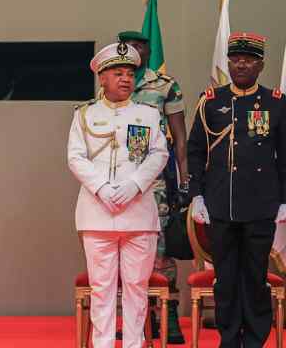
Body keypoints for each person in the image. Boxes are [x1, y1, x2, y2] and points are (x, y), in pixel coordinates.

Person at [187, 32, 286, 348]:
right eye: (235, 59)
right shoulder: (211, 101)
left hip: (260, 205)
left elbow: (284, 156)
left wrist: (284, 200)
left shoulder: (276, 103)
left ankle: (255, 340)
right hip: (221, 204)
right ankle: (229, 339)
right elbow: (195, 151)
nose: (241, 65)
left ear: (260, 65)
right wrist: (197, 195)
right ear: (228, 62)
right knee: (225, 280)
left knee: (255, 278)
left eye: (248, 60)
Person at [68, 42, 169, 348]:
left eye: (129, 73)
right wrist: (101, 187)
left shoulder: (147, 115)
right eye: (117, 73)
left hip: (138, 214)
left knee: (137, 289)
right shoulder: (85, 114)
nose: (125, 78)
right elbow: (75, 157)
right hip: (97, 213)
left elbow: (158, 154)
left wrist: (134, 185)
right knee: (102, 289)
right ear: (102, 77)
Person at [118, 30, 188, 343]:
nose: (133, 50)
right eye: (127, 46)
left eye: (138, 45)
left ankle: (168, 313)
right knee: (126, 252)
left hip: (156, 183)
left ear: (147, 50)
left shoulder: (165, 86)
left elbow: (181, 139)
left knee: (160, 251)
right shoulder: (115, 83)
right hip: (120, 182)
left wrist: (185, 180)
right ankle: (136, 317)